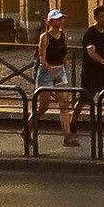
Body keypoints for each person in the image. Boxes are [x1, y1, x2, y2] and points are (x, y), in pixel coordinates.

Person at [70, 4, 104, 143]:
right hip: (90, 73)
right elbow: (91, 52)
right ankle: (72, 123)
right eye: (102, 16)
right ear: (96, 18)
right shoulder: (90, 34)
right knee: (83, 100)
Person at [31, 10, 71, 147]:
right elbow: (42, 58)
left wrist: (63, 71)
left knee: (65, 104)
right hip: (46, 72)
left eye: (61, 19)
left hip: (60, 69)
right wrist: (52, 72)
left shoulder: (63, 36)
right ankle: (27, 128)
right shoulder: (45, 37)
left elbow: (65, 55)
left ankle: (67, 137)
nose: (60, 21)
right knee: (44, 107)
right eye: (57, 19)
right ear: (49, 22)